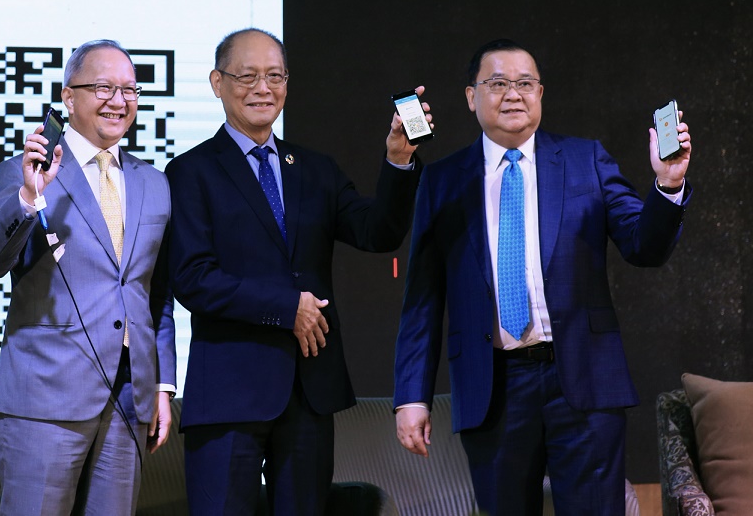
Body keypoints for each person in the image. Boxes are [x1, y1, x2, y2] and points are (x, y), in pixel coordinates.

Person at [393, 38, 693, 515]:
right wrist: (412, 396)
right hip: (494, 386)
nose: (513, 94)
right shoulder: (443, 180)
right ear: (471, 97)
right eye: (497, 84)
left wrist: (668, 184)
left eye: (525, 83)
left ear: (540, 94)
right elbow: (423, 298)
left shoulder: (585, 160)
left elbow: (645, 247)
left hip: (583, 381)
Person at [165, 27, 429, 515]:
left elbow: (378, 233)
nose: (262, 88)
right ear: (217, 82)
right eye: (247, 76)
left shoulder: (313, 168)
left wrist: (397, 160)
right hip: (229, 394)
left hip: (309, 392)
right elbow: (193, 279)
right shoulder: (189, 172)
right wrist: (287, 308)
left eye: (275, 76)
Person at [0, 39, 176, 515]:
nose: (119, 101)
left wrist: (161, 386)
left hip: (128, 399)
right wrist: (27, 195)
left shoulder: (153, 182)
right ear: (68, 97)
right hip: (44, 397)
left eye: (130, 90)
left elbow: (155, 293)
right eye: (103, 87)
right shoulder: (27, 173)